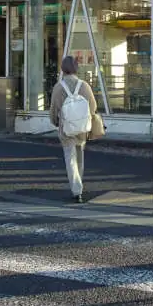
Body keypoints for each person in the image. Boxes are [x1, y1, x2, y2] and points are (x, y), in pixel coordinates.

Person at [49, 56, 97, 204]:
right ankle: (79, 185)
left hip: (66, 129)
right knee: (80, 156)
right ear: (76, 68)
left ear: (63, 68)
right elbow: (93, 107)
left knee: (70, 159)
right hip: (82, 128)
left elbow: (53, 110)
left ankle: (76, 190)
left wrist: (56, 123)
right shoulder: (84, 86)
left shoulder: (58, 87)